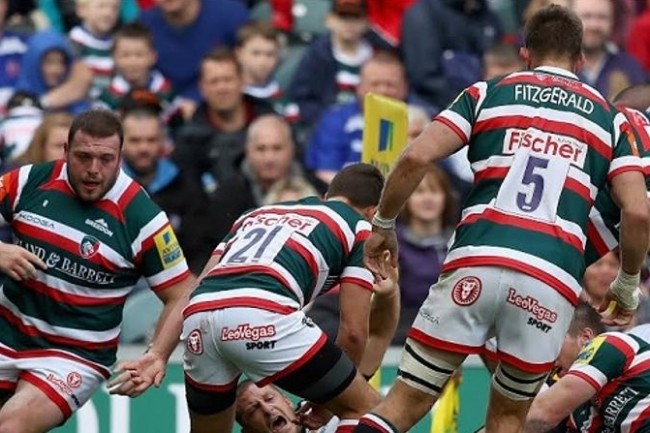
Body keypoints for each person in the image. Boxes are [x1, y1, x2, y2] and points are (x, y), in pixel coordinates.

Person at [354, 5, 650, 433]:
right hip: (548, 282)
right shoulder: (609, 118)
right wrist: (626, 282)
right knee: (509, 420)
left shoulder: (486, 92)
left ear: (525, 53)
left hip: (474, 262)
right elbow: (637, 210)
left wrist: (383, 224)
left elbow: (416, 157)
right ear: (581, 59)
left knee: (401, 405)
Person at [0, 109, 193, 432]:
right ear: (66, 152)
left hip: (74, 354)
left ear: (120, 158)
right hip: (7, 332)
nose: (93, 169)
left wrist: (158, 354)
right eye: (83, 157)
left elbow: (182, 291)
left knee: (11, 425)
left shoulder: (142, 216)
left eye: (105, 159)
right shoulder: (30, 180)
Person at [180, 163, 389, 433]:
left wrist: (159, 354)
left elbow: (198, 286)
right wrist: (327, 403)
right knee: (370, 412)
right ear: (373, 212)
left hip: (198, 319)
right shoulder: (361, 228)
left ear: (326, 197)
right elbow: (354, 333)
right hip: (261, 313)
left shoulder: (256, 213)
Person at [235, 257, 401, 433]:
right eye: (253, 411)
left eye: (269, 398)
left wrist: (389, 293)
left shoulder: (332, 409)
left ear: (287, 401)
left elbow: (376, 337)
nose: (268, 410)